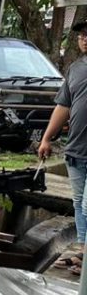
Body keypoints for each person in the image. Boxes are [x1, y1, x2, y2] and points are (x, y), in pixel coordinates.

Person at [38, 19, 87, 274]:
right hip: (77, 150)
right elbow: (63, 106)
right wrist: (47, 138)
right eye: (82, 35)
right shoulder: (76, 68)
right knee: (79, 203)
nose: (85, 38)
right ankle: (83, 251)